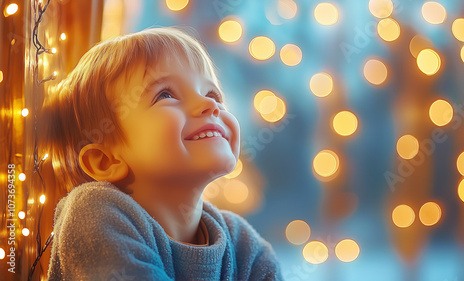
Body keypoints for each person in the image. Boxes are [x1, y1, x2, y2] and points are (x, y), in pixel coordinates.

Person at [42, 26, 283, 280]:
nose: (210, 104)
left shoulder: (245, 246)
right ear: (105, 160)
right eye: (165, 95)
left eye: (212, 93)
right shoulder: (92, 214)